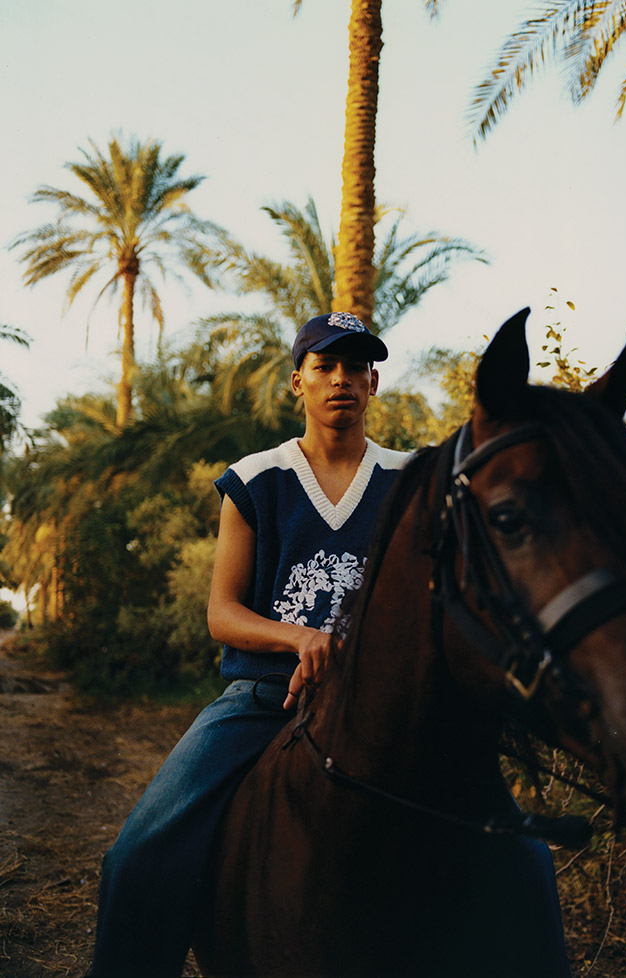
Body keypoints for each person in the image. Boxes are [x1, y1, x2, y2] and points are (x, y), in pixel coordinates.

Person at [90, 312, 410, 978]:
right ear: (298, 381)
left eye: (356, 367)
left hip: (381, 706)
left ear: (374, 382)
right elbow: (223, 613)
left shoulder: (409, 482)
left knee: (514, 849)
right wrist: (300, 637)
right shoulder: (257, 479)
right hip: (264, 698)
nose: (342, 380)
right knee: (138, 854)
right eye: (325, 366)